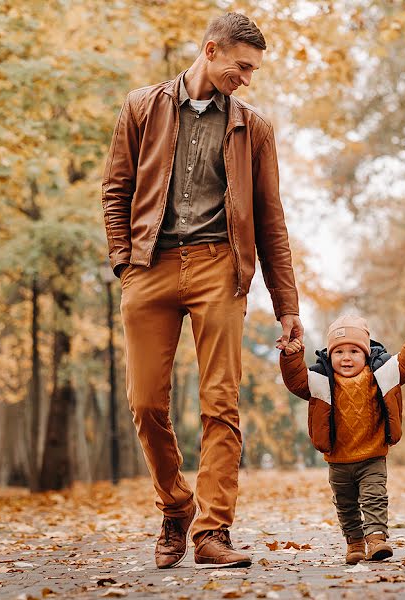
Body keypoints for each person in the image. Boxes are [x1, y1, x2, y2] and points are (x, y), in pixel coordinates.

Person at [101, 13, 302, 569]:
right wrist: (125, 262)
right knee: (145, 403)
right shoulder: (143, 107)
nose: (247, 78)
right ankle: (175, 505)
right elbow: (116, 188)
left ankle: (213, 531)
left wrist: (287, 306)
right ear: (210, 50)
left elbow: (271, 222)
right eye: (241, 66)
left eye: (254, 70)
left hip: (220, 267)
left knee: (221, 404)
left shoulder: (253, 128)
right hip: (150, 266)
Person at [279, 316, 405, 564]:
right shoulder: (320, 379)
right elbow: (296, 380)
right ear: (329, 355)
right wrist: (290, 356)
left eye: (354, 350)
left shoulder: (381, 373)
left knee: (374, 497)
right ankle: (354, 543)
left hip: (372, 454)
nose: (346, 357)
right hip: (338, 460)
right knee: (346, 504)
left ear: (366, 353)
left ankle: (376, 539)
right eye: (338, 351)